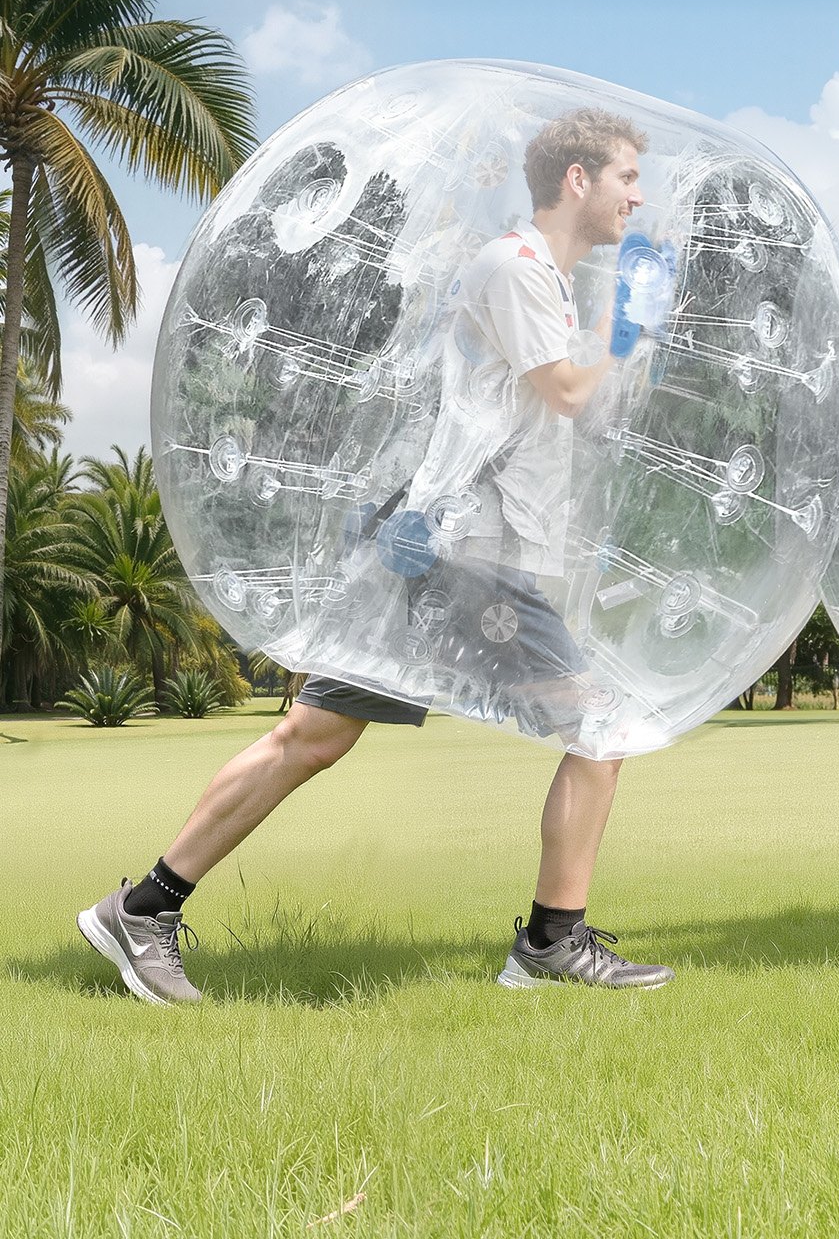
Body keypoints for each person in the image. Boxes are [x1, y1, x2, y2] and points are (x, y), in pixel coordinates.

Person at [78, 107, 675, 1003]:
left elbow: (577, 413)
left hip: (444, 545)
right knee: (601, 728)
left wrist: (621, 338)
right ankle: (552, 943)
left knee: (314, 736)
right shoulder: (515, 267)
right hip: (466, 554)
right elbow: (565, 392)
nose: (640, 195)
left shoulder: (544, 279)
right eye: (627, 176)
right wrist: (624, 333)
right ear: (578, 178)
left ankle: (142, 908)